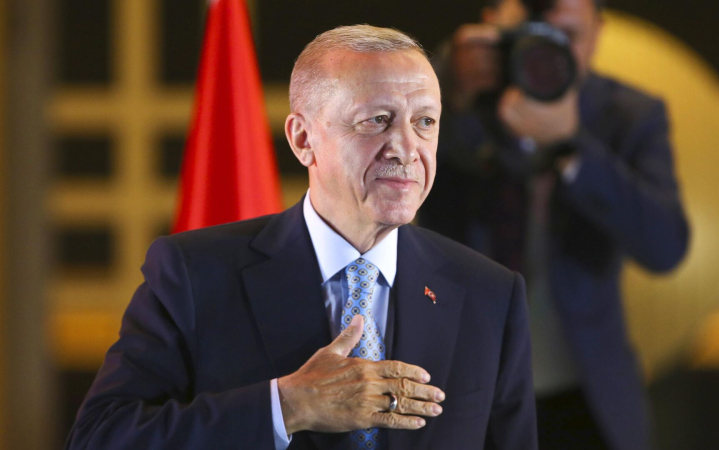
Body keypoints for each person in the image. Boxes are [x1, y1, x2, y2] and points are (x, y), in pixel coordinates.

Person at [65, 25, 538, 450]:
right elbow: (99, 438)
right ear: (302, 139)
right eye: (377, 120)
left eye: (425, 122)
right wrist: (287, 406)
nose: (407, 149)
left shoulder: (490, 293)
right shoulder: (193, 275)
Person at [419, 0, 690, 449]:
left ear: (598, 31)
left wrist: (571, 145)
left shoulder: (628, 115)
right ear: (491, 25)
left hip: (583, 396)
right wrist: (445, 90)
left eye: (566, 37)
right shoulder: (446, 100)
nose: (544, 54)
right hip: (459, 390)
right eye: (528, 34)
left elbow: (666, 248)